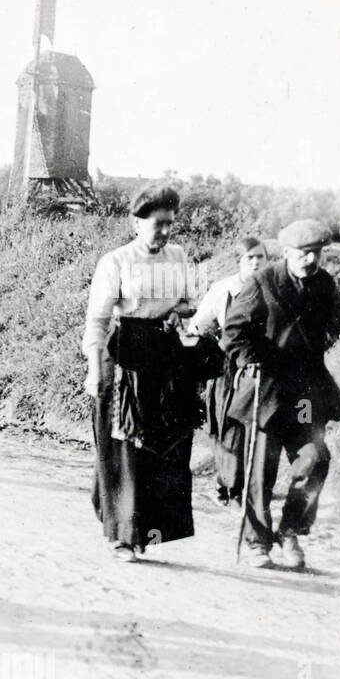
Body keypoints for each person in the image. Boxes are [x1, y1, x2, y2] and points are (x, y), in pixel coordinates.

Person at [222, 219, 340, 569]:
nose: (310, 260)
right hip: (267, 391)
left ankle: (291, 529)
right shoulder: (262, 282)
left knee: (315, 458)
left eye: (315, 253)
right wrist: (251, 359)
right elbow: (233, 331)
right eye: (302, 253)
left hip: (304, 395)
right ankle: (257, 543)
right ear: (286, 252)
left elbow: (325, 329)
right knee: (261, 471)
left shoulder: (324, 285)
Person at [83, 186, 207, 563]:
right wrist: (94, 367)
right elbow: (99, 319)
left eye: (171, 223)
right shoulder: (116, 261)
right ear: (137, 223)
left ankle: (147, 530)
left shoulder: (178, 257)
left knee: (165, 442)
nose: (166, 231)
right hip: (126, 353)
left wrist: (179, 312)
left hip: (166, 353)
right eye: (158, 224)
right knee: (126, 443)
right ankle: (120, 534)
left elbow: (190, 301)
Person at [190, 236, 268, 505]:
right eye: (250, 258)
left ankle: (251, 485)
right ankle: (230, 487)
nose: (256, 262)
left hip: (263, 363)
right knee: (229, 424)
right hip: (228, 364)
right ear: (239, 262)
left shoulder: (273, 289)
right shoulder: (225, 289)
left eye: (261, 257)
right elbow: (199, 323)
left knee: (259, 425)